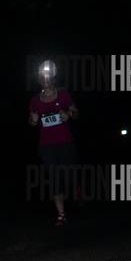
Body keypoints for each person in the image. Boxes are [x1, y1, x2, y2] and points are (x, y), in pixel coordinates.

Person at [28, 60, 79, 226]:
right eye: (42, 77)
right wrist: (33, 120)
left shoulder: (63, 95)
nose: (45, 79)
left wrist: (69, 114)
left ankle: (75, 192)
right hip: (46, 145)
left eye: (48, 76)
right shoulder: (35, 100)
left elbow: (76, 112)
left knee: (67, 175)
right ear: (39, 80)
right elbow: (32, 122)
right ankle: (61, 215)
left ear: (53, 78)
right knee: (54, 178)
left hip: (65, 143)